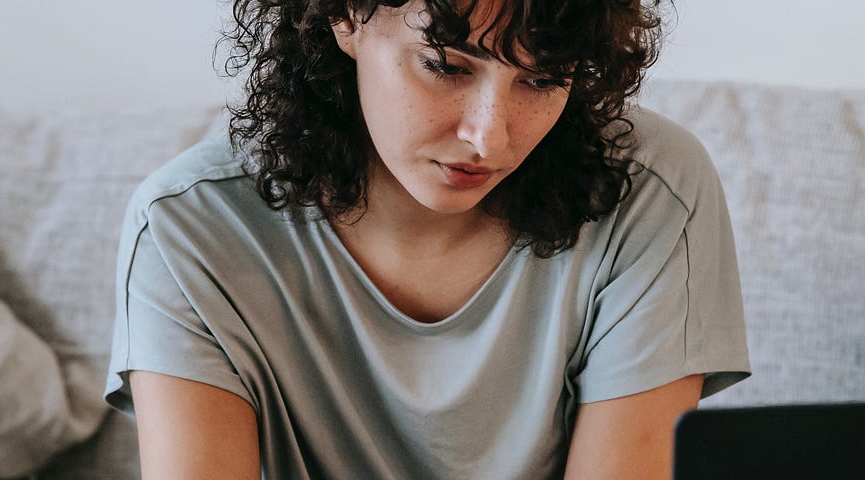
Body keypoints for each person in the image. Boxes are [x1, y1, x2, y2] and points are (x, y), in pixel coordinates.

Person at [102, 0, 750, 477]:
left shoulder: (649, 189)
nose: (489, 137)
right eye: (446, 66)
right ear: (346, 18)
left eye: (543, 80)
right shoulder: (189, 228)